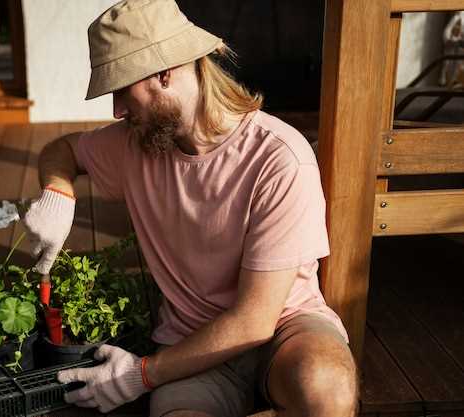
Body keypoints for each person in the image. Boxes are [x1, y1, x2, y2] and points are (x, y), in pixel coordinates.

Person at [23, 1, 359, 416]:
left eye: (122, 90)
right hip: (189, 344)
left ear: (165, 72)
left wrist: (140, 374)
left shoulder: (278, 159)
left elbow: (255, 320)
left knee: (327, 391)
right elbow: (62, 150)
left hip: (285, 330)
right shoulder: (135, 145)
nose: (116, 110)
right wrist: (58, 194)